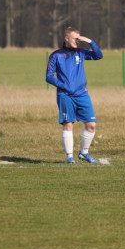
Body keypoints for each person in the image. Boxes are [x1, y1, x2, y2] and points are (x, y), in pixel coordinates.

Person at [46, 27, 103, 164]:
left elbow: (98, 55)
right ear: (66, 39)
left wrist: (89, 41)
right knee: (68, 125)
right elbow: (49, 76)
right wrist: (64, 85)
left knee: (91, 125)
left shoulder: (81, 53)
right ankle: (70, 157)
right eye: (74, 38)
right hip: (65, 95)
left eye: (79, 39)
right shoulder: (56, 55)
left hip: (82, 95)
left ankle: (84, 153)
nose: (78, 41)